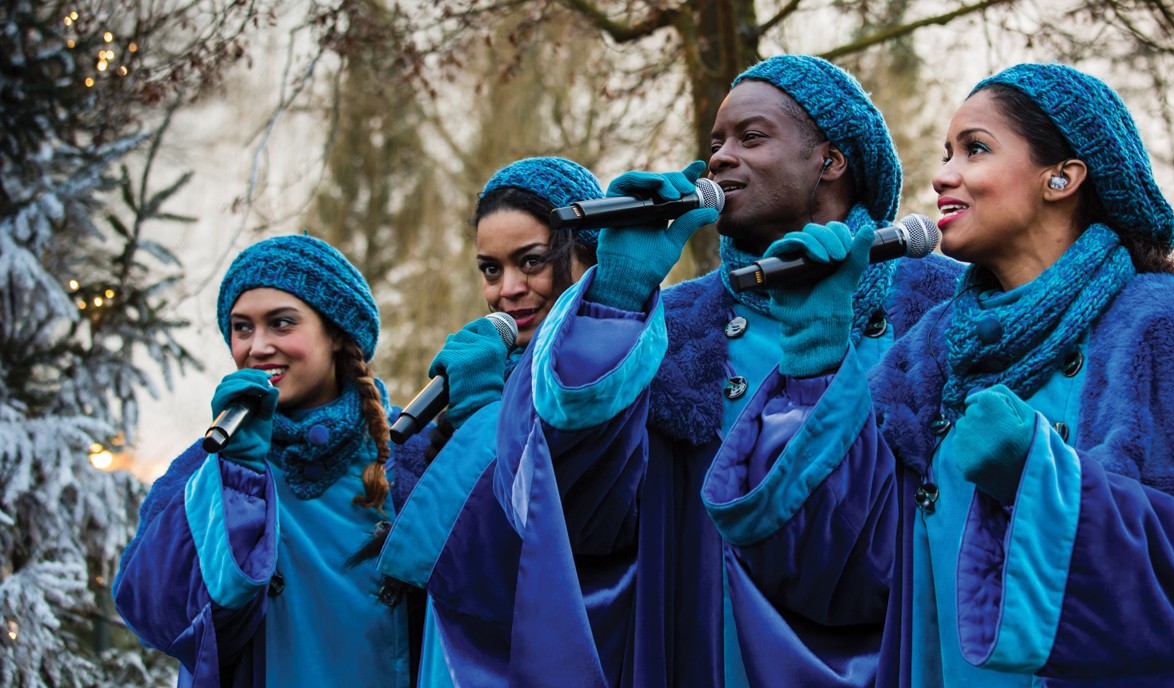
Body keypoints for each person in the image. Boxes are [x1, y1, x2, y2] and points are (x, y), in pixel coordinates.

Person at [703, 62, 1174, 687]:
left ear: (1062, 177)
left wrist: (1038, 479)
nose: (943, 175)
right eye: (947, 152)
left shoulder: (1165, 320)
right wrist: (815, 351)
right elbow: (848, 568)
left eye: (975, 149)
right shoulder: (928, 351)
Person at [439, 55, 962, 686]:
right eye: (716, 142)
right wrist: (620, 292)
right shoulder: (676, 320)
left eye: (752, 137)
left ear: (831, 160)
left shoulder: (941, 308)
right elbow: (574, 519)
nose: (719, 157)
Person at [113, 235, 424, 687]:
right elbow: (155, 614)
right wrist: (235, 477)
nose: (257, 346)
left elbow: (482, 596)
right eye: (242, 328)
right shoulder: (205, 466)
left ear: (337, 332)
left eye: (281, 324)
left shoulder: (410, 450)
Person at [374, 157, 604, 686]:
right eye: (491, 269)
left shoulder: (614, 379)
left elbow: (528, 554)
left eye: (532, 261)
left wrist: (482, 412)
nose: (508, 289)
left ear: (588, 253)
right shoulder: (486, 372)